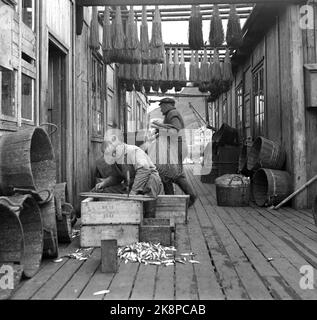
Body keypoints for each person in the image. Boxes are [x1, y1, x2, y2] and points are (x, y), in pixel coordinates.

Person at [151, 97, 197, 207]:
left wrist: (160, 129)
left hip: (177, 148)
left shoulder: (172, 114)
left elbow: (174, 132)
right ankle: (171, 199)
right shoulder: (170, 114)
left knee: (174, 174)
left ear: (167, 105)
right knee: (167, 174)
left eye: (161, 106)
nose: (161, 109)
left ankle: (191, 195)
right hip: (174, 148)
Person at [94, 128, 164, 198]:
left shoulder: (132, 151)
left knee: (145, 204)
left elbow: (144, 170)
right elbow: (117, 177)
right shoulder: (115, 159)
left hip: (149, 183)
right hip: (133, 184)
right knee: (104, 191)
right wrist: (104, 183)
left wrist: (133, 192)